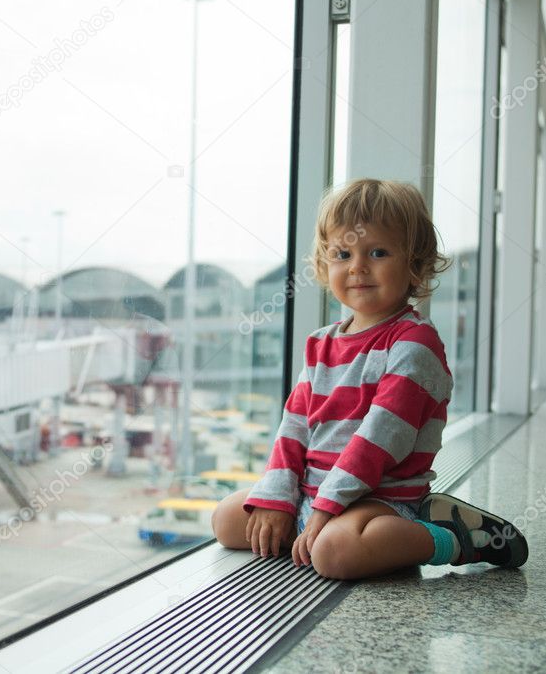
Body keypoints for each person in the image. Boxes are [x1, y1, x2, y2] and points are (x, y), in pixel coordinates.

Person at [211, 179, 528, 579]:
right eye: (342, 253)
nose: (358, 266)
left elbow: (379, 441)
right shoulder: (320, 344)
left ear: (414, 264)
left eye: (377, 252)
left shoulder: (414, 344)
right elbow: (293, 429)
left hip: (378, 497)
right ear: (327, 266)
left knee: (335, 555)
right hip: (315, 494)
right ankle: (313, 525)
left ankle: (451, 537)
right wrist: (278, 498)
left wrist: (326, 508)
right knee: (227, 519)